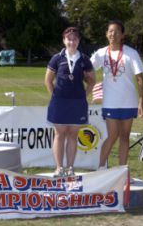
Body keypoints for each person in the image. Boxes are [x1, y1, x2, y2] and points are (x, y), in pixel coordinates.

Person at [91, 20, 143, 169]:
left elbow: (139, 79)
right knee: (112, 135)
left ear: (122, 35)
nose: (112, 34)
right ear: (106, 34)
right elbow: (88, 69)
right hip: (110, 103)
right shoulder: (101, 53)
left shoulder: (131, 53)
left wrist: (141, 101)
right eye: (110, 31)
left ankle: (122, 170)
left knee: (125, 137)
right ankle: (100, 168)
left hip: (128, 102)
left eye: (116, 31)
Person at [45, 27, 95, 177]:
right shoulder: (57, 58)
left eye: (74, 39)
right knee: (59, 134)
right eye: (69, 39)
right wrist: (55, 97)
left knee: (73, 135)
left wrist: (82, 96)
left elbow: (92, 81)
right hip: (59, 102)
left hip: (77, 103)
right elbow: (48, 80)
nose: (71, 41)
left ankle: (70, 167)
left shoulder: (85, 59)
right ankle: (59, 168)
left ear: (78, 41)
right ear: (64, 40)